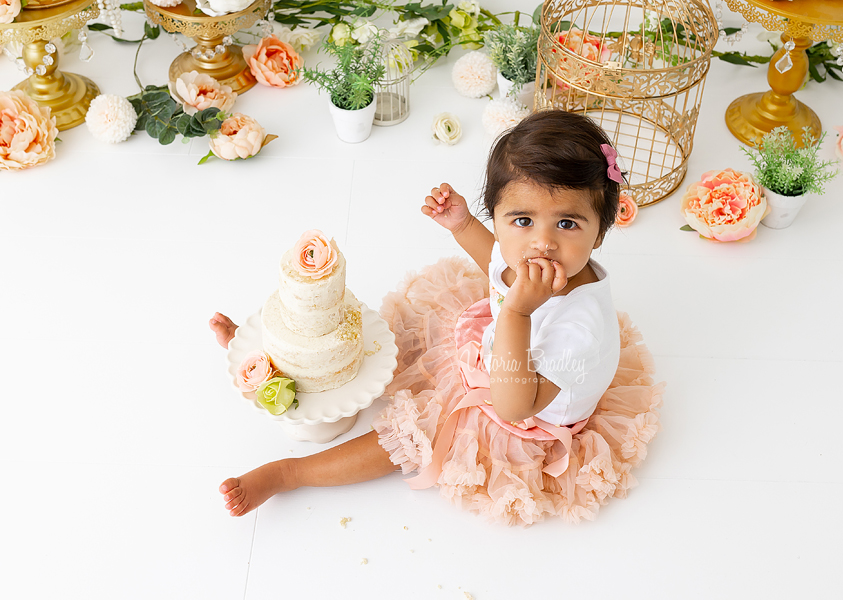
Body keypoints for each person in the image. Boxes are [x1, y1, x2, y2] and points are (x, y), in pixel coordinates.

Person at [210, 110, 663, 526]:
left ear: (601, 230)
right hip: (502, 349)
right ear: (499, 215)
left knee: (410, 438)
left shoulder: (579, 332)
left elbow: (512, 404)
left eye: (567, 224)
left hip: (522, 404)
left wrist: (518, 311)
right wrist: (464, 225)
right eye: (522, 220)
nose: (541, 243)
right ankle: (284, 359)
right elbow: (498, 265)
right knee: (370, 347)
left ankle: (290, 473)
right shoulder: (531, 263)